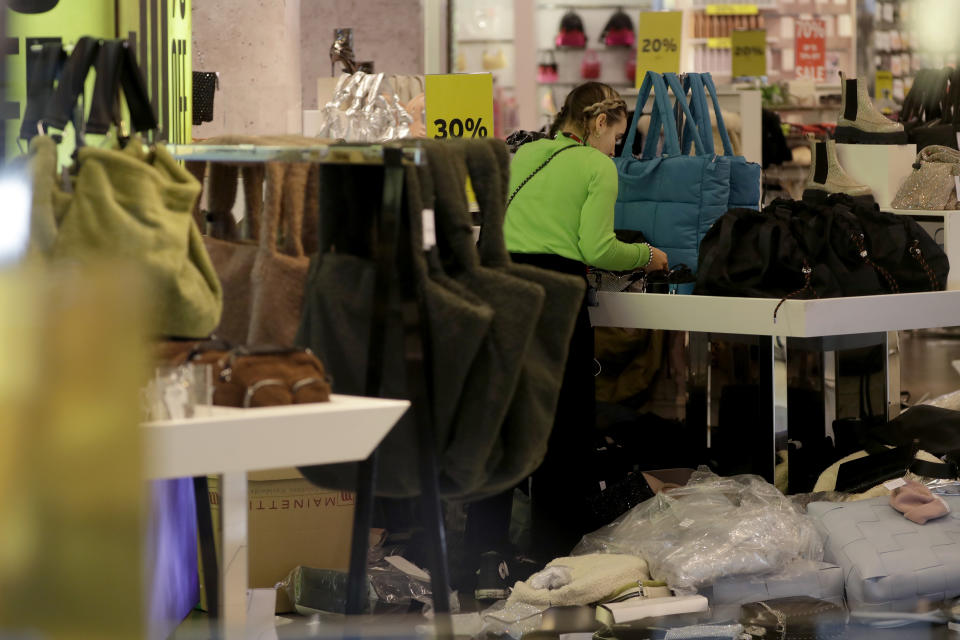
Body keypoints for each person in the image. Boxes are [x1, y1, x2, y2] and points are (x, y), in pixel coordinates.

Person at [464, 82, 668, 599]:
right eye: (617, 137)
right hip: (552, 298)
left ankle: (484, 561)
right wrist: (648, 257)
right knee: (562, 430)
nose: (616, 149)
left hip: (496, 292)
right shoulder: (595, 167)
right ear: (599, 124)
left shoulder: (524, 152)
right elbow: (596, 247)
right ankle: (550, 556)